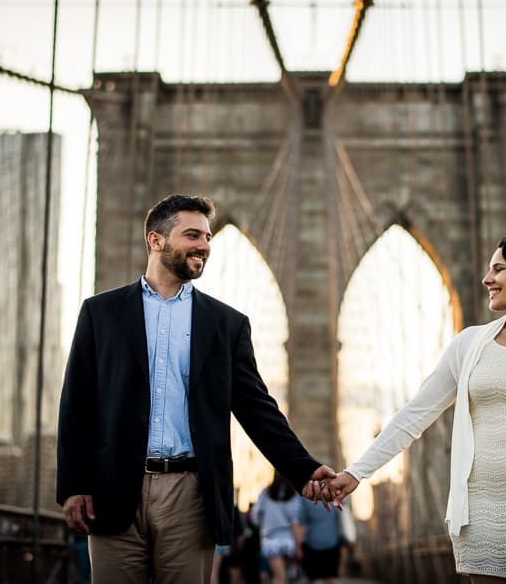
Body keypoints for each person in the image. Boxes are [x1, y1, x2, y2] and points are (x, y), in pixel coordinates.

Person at [56, 194, 335, 584]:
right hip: (112, 488)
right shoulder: (100, 313)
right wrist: (73, 485)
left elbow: (257, 408)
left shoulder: (227, 324)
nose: (204, 245)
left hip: (190, 494)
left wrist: (303, 470)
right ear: (156, 240)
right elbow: (77, 405)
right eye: (192, 235)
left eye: (207, 237)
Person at [327, 237, 506, 584]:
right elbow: (416, 414)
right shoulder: (469, 345)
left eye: (498, 269)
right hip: (482, 515)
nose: (486, 279)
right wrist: (356, 473)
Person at [251, 473, 302, 584]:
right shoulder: (293, 494)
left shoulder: (266, 492)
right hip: (289, 539)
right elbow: (296, 521)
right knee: (284, 575)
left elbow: (255, 515)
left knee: (279, 576)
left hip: (270, 539)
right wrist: (299, 545)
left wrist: (262, 525)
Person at [295, 494, 343, 584]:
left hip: (312, 543)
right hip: (332, 542)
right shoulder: (334, 494)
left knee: (309, 578)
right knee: (332, 577)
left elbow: (300, 524)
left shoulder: (305, 497)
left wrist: (298, 546)